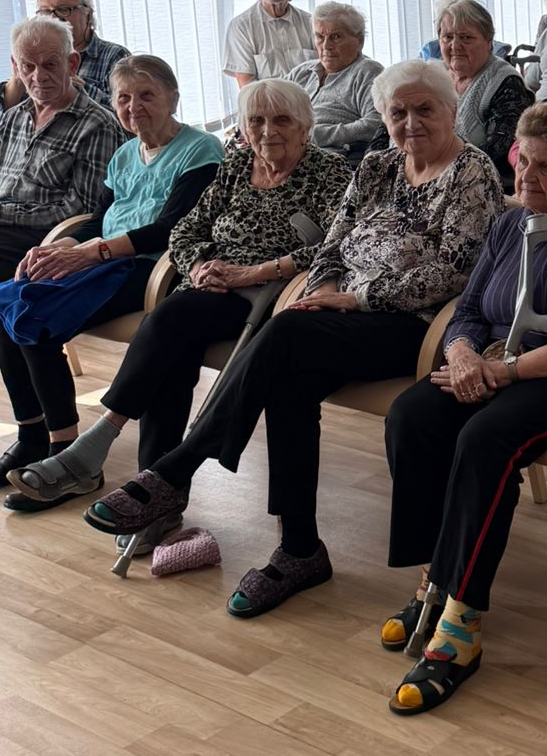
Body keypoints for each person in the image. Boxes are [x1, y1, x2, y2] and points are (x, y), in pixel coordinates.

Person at [89, 59, 502, 615]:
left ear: (451, 110)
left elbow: (457, 270)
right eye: (397, 112)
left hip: (414, 323)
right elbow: (333, 243)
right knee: (287, 380)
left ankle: (178, 467)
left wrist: (355, 298)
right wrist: (325, 286)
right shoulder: (377, 165)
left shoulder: (472, 171)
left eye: (424, 109)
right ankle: (299, 548)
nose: (410, 122)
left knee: (285, 334)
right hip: (337, 317)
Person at [380, 103, 547, 710]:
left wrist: (504, 372)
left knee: (485, 442)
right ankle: (434, 577)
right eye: (522, 161)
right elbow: (469, 309)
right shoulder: (510, 224)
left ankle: (460, 621)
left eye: (546, 168)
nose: (527, 177)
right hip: (493, 363)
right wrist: (461, 355)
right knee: (411, 418)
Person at [27, 81, 352, 512]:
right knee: (171, 356)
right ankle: (155, 498)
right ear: (244, 128)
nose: (267, 130)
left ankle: (103, 441)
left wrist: (254, 271)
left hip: (269, 295)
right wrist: (198, 264)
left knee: (168, 319)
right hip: (209, 287)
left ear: (305, 127)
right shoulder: (238, 164)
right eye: (256, 120)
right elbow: (185, 229)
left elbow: (338, 245)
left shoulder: (330, 172)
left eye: (282, 120)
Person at [0, 57, 223, 505]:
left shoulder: (201, 150)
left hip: (150, 268)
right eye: (124, 98)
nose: (134, 106)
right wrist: (58, 247)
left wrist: (90, 252)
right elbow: (99, 219)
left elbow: (172, 229)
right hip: (102, 259)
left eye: (147, 95)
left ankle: (65, 456)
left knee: (33, 318)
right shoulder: (124, 154)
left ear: (173, 98)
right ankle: (32, 437)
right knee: (6, 308)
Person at [0, 17, 123, 306]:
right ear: (16, 67)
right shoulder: (13, 117)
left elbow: (81, 210)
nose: (39, 76)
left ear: (72, 64)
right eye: (28, 66)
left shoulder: (96, 124)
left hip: (45, 238)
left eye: (49, 65)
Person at [0, 0, 129, 131]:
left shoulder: (115, 56)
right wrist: (18, 78)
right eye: (45, 12)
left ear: (87, 14)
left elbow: (128, 121)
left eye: (63, 9)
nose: (53, 18)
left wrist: (77, 89)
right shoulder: (34, 59)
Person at [437, 0, 531, 184]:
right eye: (448, 37)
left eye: (466, 37)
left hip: (477, 182)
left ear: (489, 43)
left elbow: (496, 153)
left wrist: (439, 170)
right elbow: (389, 126)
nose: (455, 45)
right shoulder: (431, 76)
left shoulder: (505, 82)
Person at [287, 2, 384, 158]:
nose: (326, 46)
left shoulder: (368, 72)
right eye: (320, 37)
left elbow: (376, 124)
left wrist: (314, 134)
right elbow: (269, 107)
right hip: (283, 150)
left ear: (359, 40)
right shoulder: (301, 72)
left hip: (328, 158)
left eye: (336, 37)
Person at [223, 0, 314, 89]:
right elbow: (248, 88)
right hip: (267, 102)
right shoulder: (241, 26)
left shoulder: (311, 23)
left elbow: (327, 72)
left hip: (312, 100)